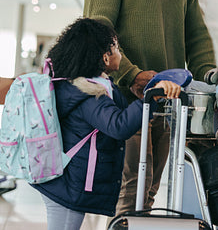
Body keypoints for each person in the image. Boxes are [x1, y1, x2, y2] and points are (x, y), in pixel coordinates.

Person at [83, 0, 215, 214]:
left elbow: (196, 35)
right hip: (123, 101)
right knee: (128, 189)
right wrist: (132, 75)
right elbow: (98, 30)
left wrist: (211, 75)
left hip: (167, 103)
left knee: (150, 190)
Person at [31, 18, 181, 230]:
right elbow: (118, 125)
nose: (120, 54)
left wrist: (139, 95)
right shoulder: (88, 92)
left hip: (67, 179)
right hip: (67, 184)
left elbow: (113, 114)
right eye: (117, 48)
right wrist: (151, 98)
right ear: (105, 57)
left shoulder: (92, 85)